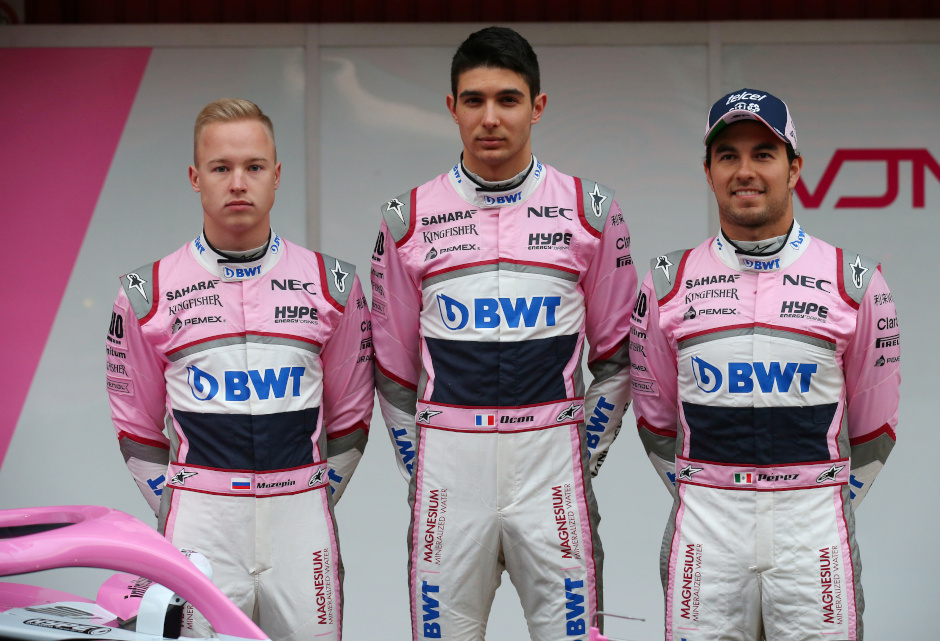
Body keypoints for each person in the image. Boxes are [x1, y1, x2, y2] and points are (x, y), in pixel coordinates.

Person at [370, 27, 636, 641]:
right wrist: (425, 463)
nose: (490, 118)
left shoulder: (592, 210)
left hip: (554, 472)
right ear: (452, 107)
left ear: (538, 107)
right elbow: (391, 371)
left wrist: (581, 452)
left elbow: (620, 360)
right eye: (474, 100)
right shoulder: (406, 218)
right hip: (448, 479)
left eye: (509, 99)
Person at [630, 88, 900, 640]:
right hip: (706, 526)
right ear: (708, 172)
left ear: (794, 168)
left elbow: (877, 428)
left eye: (763, 154)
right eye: (728, 155)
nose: (745, 171)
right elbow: (653, 419)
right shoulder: (664, 283)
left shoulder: (856, 282)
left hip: (814, 531)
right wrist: (709, 491)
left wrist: (819, 502)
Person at [105, 98, 374, 641]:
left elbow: (352, 414)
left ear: (276, 176)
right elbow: (135, 425)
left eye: (253, 167)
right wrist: (185, 501)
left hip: (302, 522)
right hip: (201, 525)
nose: (237, 183)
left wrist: (310, 496)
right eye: (220, 168)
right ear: (194, 178)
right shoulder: (146, 292)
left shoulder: (334, 285)